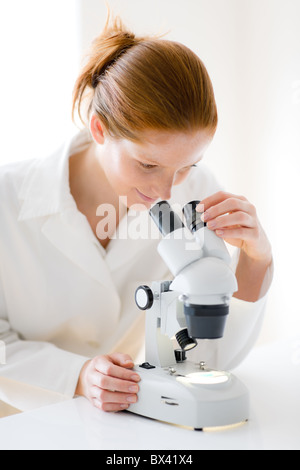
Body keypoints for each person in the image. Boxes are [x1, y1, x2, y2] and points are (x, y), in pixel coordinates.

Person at [0, 15, 273, 414]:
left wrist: (257, 255)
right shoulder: (8, 198)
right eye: (147, 165)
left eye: (186, 167)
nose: (166, 191)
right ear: (99, 129)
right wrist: (76, 375)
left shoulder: (194, 191)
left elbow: (215, 354)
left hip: (119, 420)